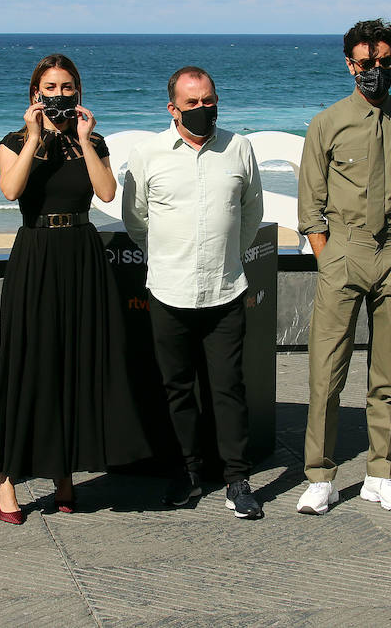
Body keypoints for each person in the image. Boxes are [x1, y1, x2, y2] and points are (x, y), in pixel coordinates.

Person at [0, 54, 151, 523]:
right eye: (50, 87)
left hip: (82, 253)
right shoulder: (12, 141)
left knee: (77, 362)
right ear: (35, 93)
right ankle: (6, 478)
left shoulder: (93, 140)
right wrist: (34, 137)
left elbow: (107, 193)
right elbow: (10, 191)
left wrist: (86, 142)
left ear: (79, 92)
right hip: (37, 253)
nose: (59, 95)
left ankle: (64, 473)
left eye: (68, 87)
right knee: (30, 364)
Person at [295, 19, 391, 515]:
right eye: (364, 63)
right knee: (325, 373)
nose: (374, 71)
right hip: (344, 252)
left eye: (383, 62)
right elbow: (310, 202)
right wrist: (327, 255)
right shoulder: (327, 123)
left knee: (388, 373)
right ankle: (320, 476)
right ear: (349, 65)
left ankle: (381, 471)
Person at [123, 66, 265, 519]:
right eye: (192, 103)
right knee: (177, 389)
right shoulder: (147, 155)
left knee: (229, 389)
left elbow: (251, 211)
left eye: (209, 101)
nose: (203, 109)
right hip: (168, 291)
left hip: (225, 290)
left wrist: (228, 257)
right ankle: (185, 473)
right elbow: (135, 218)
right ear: (173, 108)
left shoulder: (238, 148)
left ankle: (237, 480)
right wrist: (168, 258)